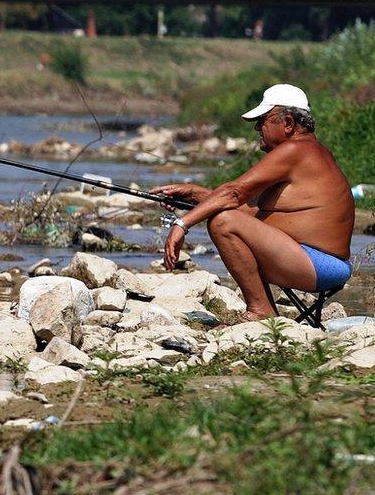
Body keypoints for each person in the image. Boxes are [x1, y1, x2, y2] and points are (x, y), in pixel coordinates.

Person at [151, 84, 354, 323]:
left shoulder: (295, 150)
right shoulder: (310, 152)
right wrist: (195, 194)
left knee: (223, 222)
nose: (258, 127)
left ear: (288, 123)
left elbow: (235, 194)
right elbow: (245, 208)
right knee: (229, 217)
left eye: (263, 120)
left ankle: (260, 311)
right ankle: (264, 311)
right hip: (318, 264)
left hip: (317, 264)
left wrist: (181, 225)